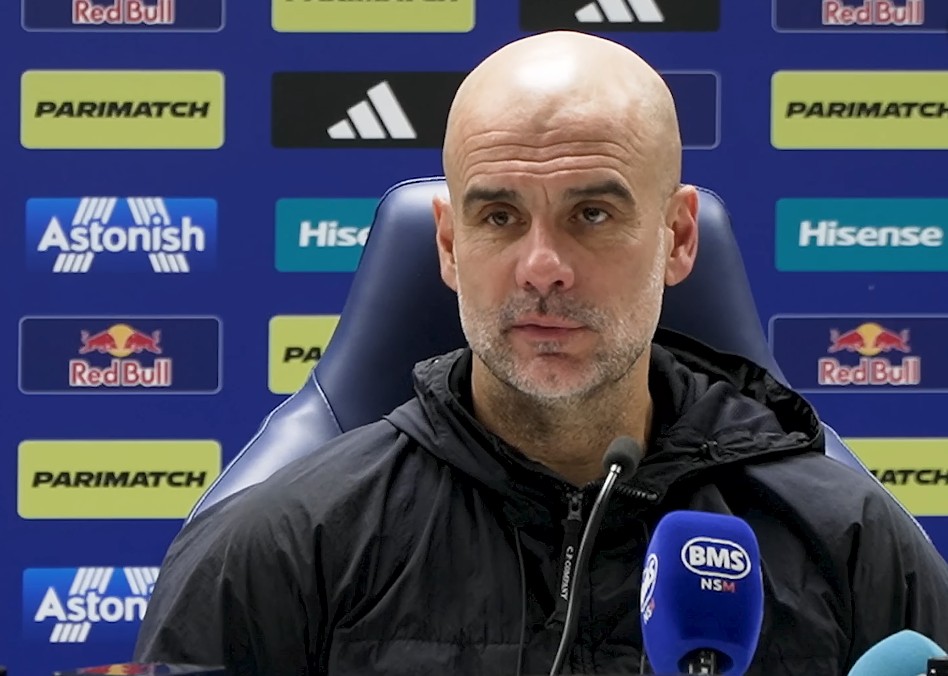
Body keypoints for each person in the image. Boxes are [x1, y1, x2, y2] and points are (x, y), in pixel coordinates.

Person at [134, 31, 948, 675]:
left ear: (677, 237)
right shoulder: (280, 548)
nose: (543, 267)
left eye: (592, 214)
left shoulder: (849, 543)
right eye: (499, 217)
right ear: (448, 246)